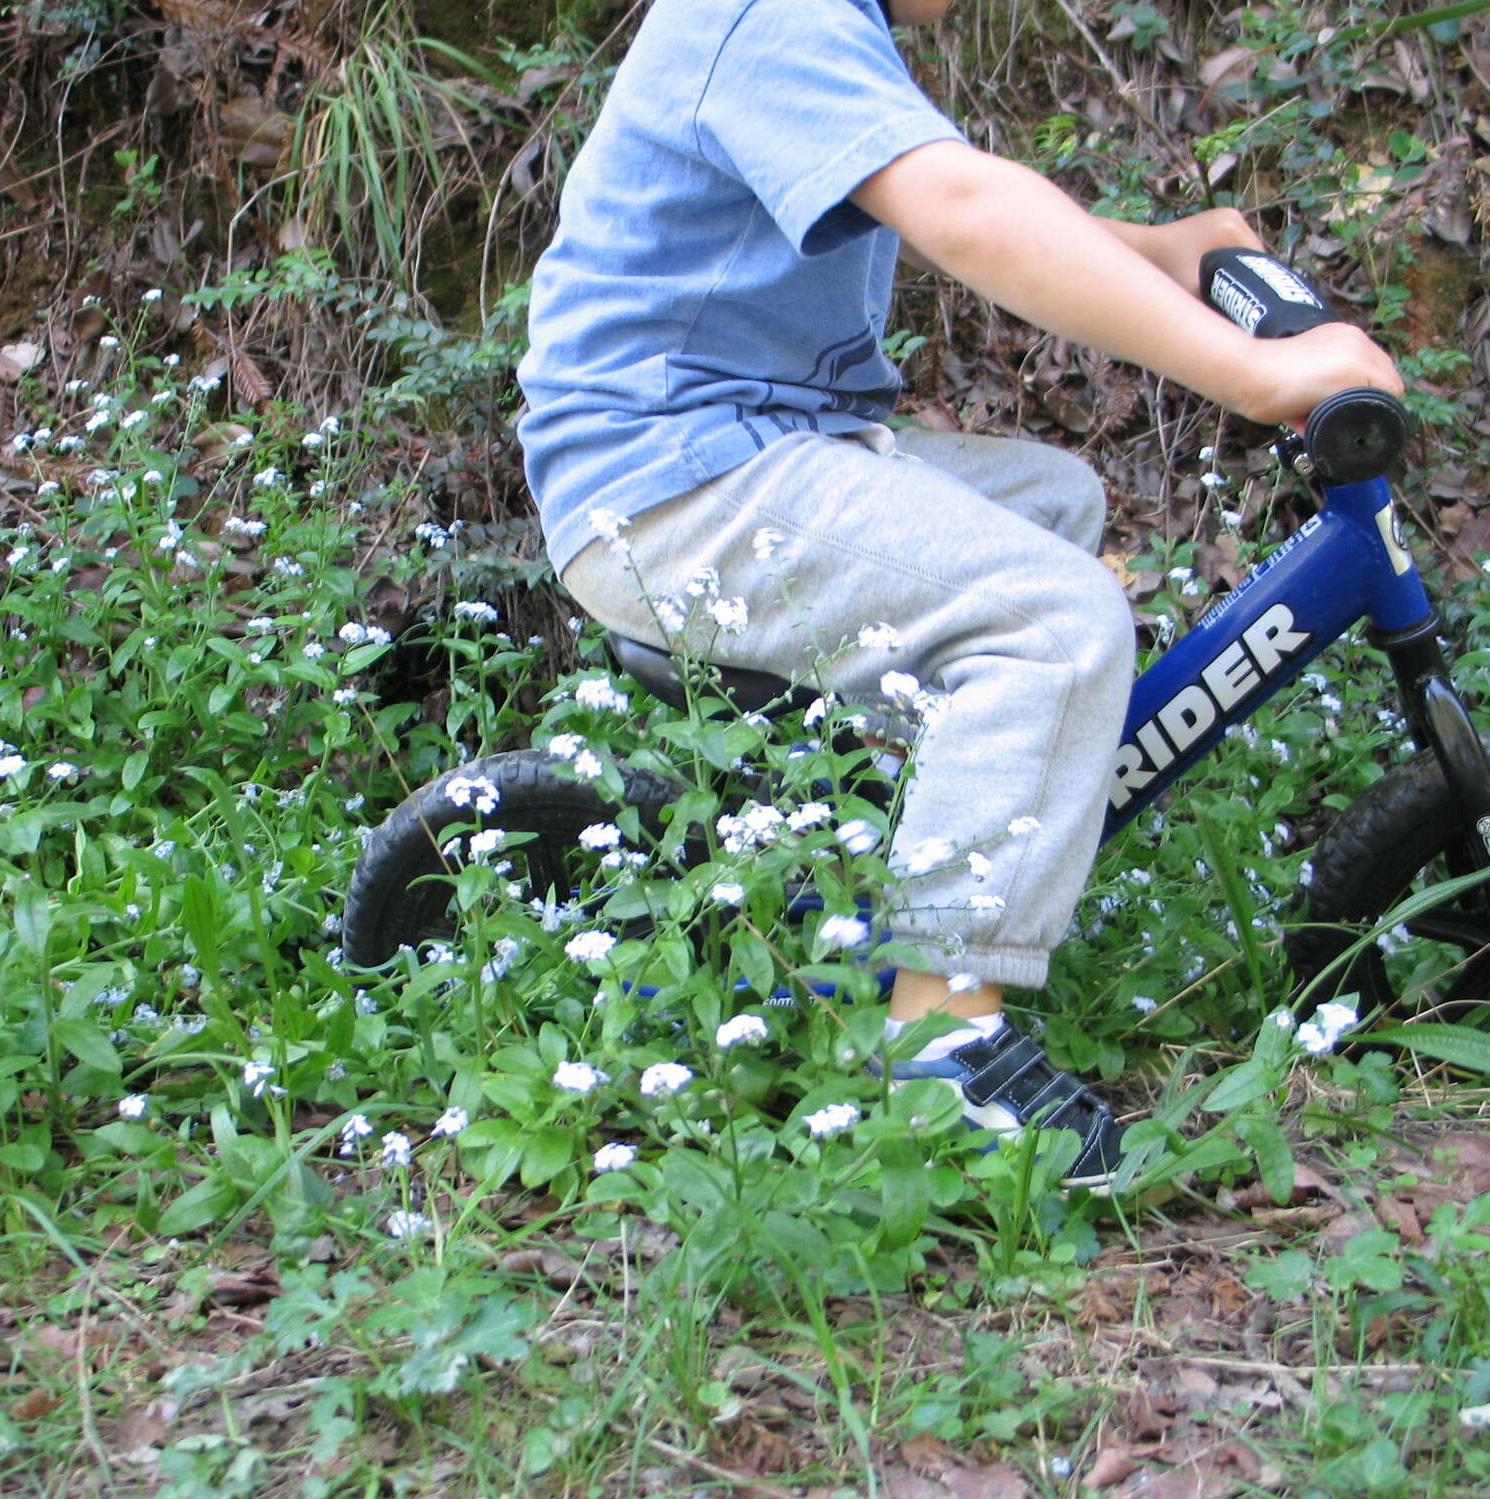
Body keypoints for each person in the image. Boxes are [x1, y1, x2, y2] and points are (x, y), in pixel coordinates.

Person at [514, 0, 1403, 1182]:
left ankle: (884, 863)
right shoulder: (768, 12)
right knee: (1053, 620)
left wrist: (1165, 248)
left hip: (744, 441)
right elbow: (966, 214)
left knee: (1050, 504)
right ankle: (934, 1046)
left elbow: (969, 187)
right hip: (671, 482)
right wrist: (1249, 370)